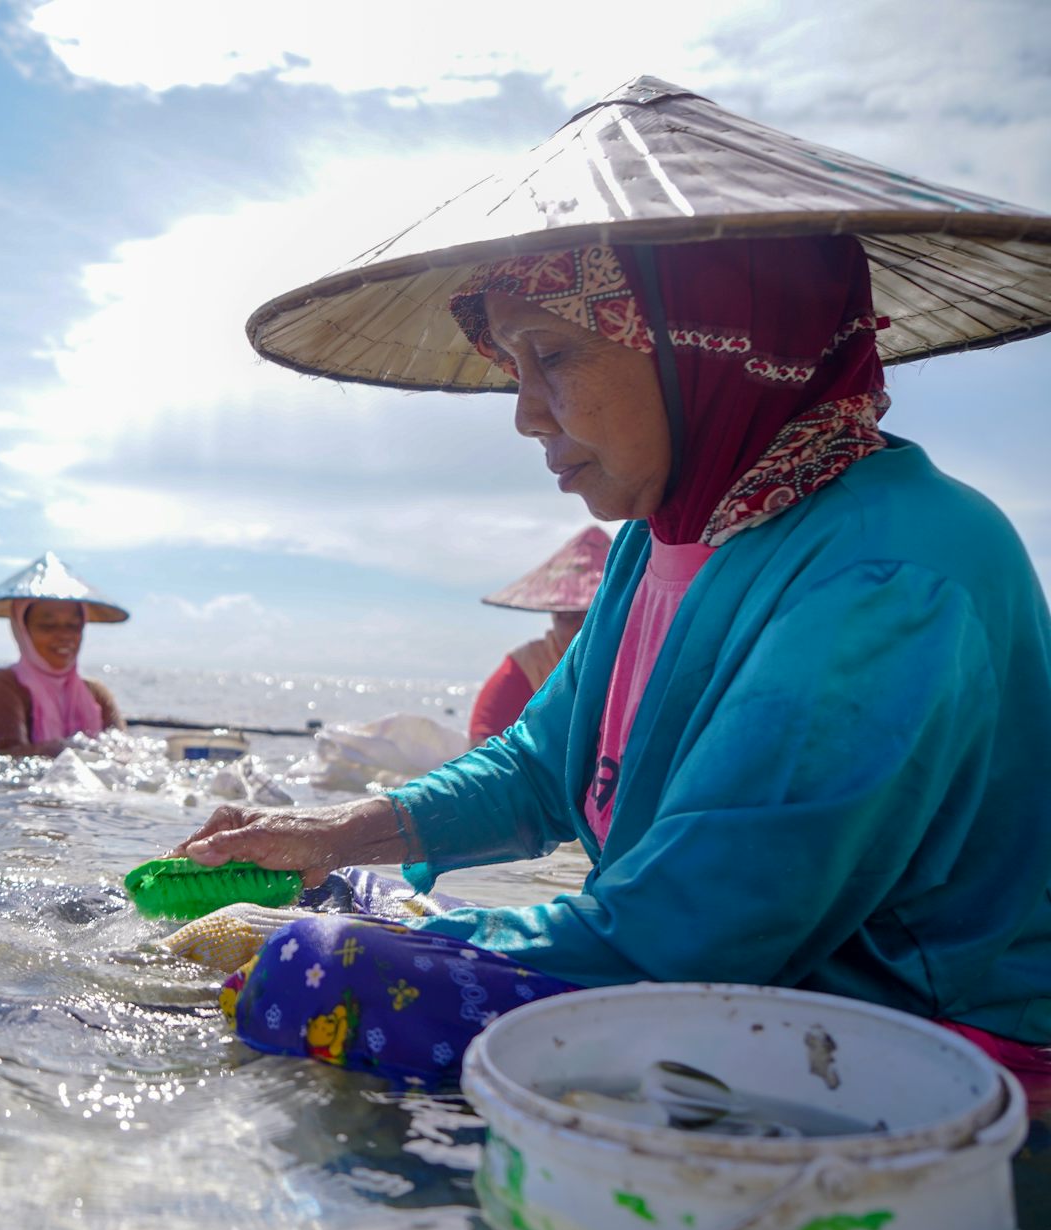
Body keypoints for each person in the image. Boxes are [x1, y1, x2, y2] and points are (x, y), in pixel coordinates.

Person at [174, 77, 1051, 1093]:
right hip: (722, 972)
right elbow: (545, 767)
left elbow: (700, 928)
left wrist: (358, 937)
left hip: (913, 1036)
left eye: (551, 354)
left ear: (709, 341)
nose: (527, 416)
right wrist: (336, 832)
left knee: (306, 975)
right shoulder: (662, 534)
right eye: (514, 365)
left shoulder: (892, 569)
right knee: (333, 900)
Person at [0, 552, 127, 756]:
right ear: (22, 629)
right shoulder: (2, 686)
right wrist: (77, 751)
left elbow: (123, 753)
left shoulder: (97, 694)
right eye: (48, 625)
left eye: (73, 625)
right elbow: (0, 757)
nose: (64, 635)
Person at [468, 526, 611, 746]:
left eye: (595, 615)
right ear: (554, 615)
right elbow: (483, 741)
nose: (584, 628)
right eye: (570, 617)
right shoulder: (529, 665)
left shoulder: (641, 664)